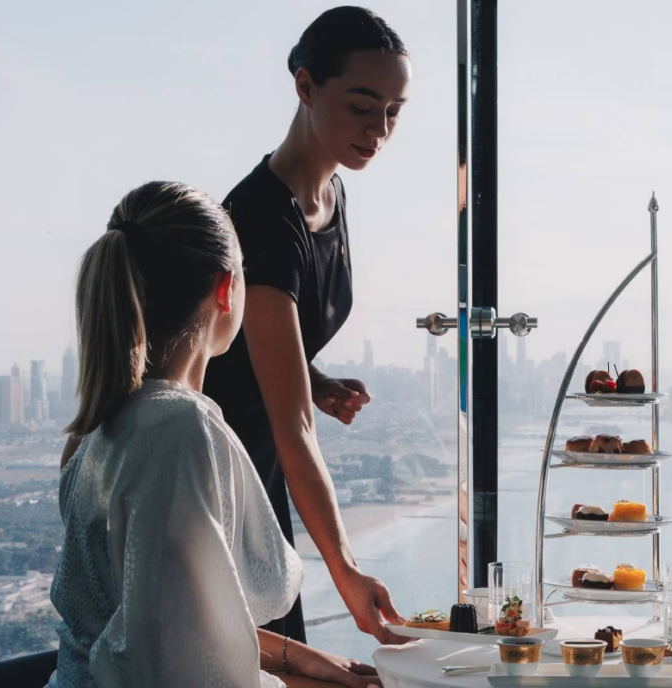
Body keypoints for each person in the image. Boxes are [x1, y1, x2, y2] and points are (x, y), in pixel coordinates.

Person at [48, 182, 382, 688]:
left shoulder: (99, 430)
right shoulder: (180, 432)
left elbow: (162, 620)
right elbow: (178, 672)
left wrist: (301, 658)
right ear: (228, 289)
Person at [203, 6, 411, 645]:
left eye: (394, 111)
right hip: (217, 474)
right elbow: (292, 426)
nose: (378, 129)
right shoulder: (264, 218)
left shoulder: (329, 193)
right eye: (361, 105)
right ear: (304, 86)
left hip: (259, 462)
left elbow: (257, 335)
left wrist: (312, 378)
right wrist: (345, 569)